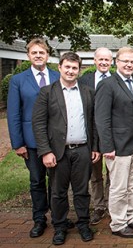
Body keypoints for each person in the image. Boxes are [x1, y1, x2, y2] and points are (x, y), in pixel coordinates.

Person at [32, 52, 99, 245]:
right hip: (57, 152)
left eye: (74, 68)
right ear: (60, 68)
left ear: (79, 70)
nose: (70, 71)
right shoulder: (47, 92)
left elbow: (93, 122)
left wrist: (95, 147)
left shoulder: (87, 92)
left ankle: (83, 224)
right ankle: (59, 227)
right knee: (58, 192)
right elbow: (39, 123)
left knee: (82, 191)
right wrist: (45, 151)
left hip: (83, 150)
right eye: (67, 67)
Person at [7, 38, 60, 238]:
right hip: (31, 142)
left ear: (47, 55)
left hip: (56, 140)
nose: (38, 56)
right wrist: (18, 143)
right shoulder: (18, 80)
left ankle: (58, 216)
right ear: (28, 55)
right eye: (34, 53)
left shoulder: (57, 76)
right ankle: (39, 218)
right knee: (36, 180)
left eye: (42, 52)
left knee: (56, 181)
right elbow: (13, 114)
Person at [95, 47, 133, 238]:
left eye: (132, 62)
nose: (129, 65)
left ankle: (128, 218)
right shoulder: (107, 85)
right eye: (125, 61)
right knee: (119, 186)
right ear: (116, 62)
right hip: (117, 146)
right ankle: (117, 224)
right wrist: (107, 146)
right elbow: (102, 119)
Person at [78, 47, 113, 225]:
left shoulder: (117, 80)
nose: (104, 62)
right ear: (94, 60)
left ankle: (111, 205)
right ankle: (99, 207)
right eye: (101, 59)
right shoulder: (83, 81)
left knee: (113, 174)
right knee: (95, 175)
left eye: (107, 59)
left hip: (112, 137)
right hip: (91, 136)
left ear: (112, 61)